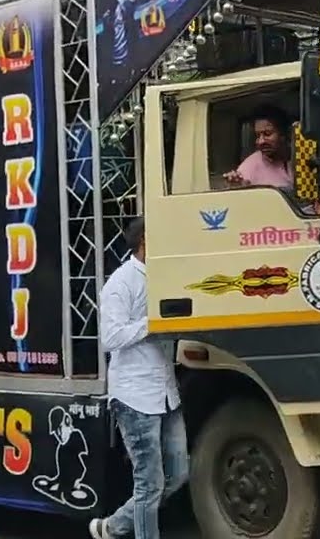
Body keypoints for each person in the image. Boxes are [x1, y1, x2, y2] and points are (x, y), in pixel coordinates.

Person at [88, 219, 189, 539]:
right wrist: (152, 323)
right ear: (146, 239)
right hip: (134, 396)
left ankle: (113, 527)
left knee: (179, 473)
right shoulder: (122, 282)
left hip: (165, 393)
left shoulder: (162, 278)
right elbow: (111, 337)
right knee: (150, 483)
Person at [222, 105, 294, 190]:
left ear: (284, 134)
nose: (261, 141)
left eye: (267, 134)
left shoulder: (301, 156)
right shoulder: (251, 166)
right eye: (257, 135)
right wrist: (236, 186)